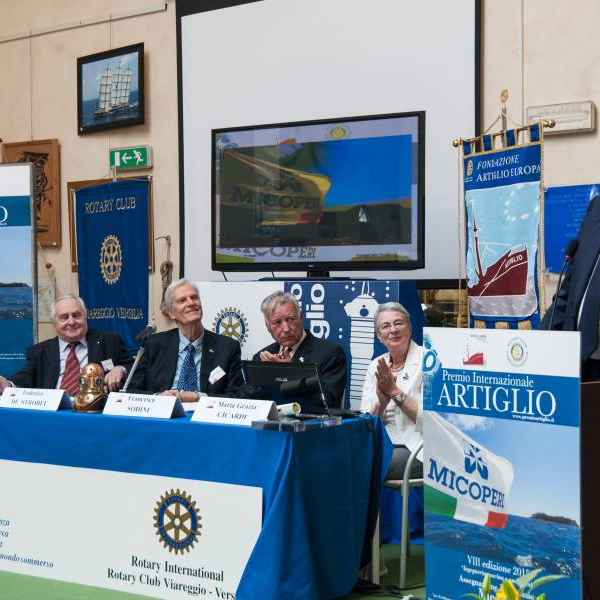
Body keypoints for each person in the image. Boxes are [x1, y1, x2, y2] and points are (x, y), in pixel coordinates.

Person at [128, 278, 243, 399]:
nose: (191, 303)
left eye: (194, 297)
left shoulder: (227, 348)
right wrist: (159, 398)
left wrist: (198, 397)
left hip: (203, 410)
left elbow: (237, 395)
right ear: (171, 313)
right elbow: (132, 390)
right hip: (164, 409)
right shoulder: (154, 345)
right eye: (182, 300)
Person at [0, 294, 131, 394]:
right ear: (54, 323)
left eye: (76, 315)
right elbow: (27, 376)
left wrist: (120, 369)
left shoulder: (109, 341)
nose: (71, 322)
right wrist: (8, 385)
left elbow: (134, 368)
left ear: (85, 316)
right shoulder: (40, 351)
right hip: (53, 412)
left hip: (95, 410)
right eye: (64, 317)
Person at [253, 291, 347, 409]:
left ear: (301, 317)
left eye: (290, 319)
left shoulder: (330, 354)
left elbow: (329, 403)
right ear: (268, 327)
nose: (286, 329)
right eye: (277, 322)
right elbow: (252, 401)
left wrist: (292, 373)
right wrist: (264, 373)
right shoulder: (261, 359)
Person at [361, 302, 423, 479]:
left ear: (409, 327)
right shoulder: (375, 365)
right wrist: (381, 403)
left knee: (363, 465)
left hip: (416, 446)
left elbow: (431, 422)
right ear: (379, 336)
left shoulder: (427, 360)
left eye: (398, 323)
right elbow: (367, 423)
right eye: (386, 326)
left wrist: (395, 393)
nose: (393, 330)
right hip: (381, 442)